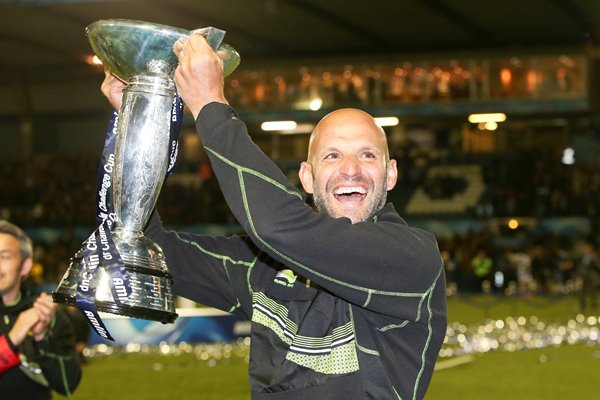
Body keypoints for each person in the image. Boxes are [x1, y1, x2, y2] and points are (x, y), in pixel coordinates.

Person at [101, 34, 447, 400]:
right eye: (331, 156)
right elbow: (139, 244)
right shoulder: (264, 267)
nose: (350, 170)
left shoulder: (412, 259)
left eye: (367, 155)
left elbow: (278, 227)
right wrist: (138, 119)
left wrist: (209, 104)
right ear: (307, 178)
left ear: (390, 174)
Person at [0, 220, 82, 399]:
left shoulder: (46, 314)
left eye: (4, 256)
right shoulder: (28, 319)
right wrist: (14, 337)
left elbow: (68, 385)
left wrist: (42, 338)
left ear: (25, 266)